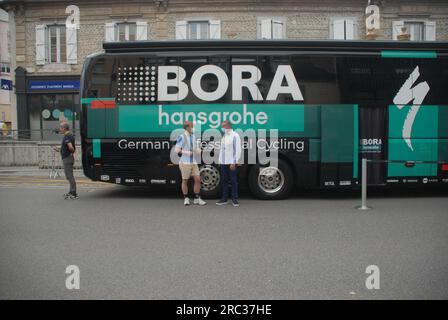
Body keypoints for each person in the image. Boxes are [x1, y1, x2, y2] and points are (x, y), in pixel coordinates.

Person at [174, 121, 206, 206]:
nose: (193, 128)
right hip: (185, 163)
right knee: (185, 180)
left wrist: (199, 151)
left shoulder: (193, 136)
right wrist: (187, 152)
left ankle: (197, 198)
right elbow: (177, 150)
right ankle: (186, 198)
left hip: (193, 162)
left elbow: (195, 149)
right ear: (187, 127)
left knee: (198, 179)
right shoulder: (182, 137)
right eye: (192, 126)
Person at [216, 120, 242, 207]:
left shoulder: (235, 136)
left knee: (233, 181)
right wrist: (220, 160)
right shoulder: (224, 136)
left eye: (223, 126)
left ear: (228, 126)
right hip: (223, 162)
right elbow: (222, 149)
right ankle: (224, 199)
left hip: (231, 162)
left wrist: (234, 162)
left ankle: (234, 199)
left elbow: (237, 150)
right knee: (224, 180)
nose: (222, 128)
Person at [54, 122, 77, 199]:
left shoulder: (67, 136)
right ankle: (71, 192)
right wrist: (60, 150)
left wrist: (72, 151)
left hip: (67, 159)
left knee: (69, 176)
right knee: (69, 176)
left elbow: (70, 147)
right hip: (68, 157)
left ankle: (73, 193)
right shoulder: (69, 135)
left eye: (61, 128)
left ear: (64, 128)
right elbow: (67, 148)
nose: (60, 129)